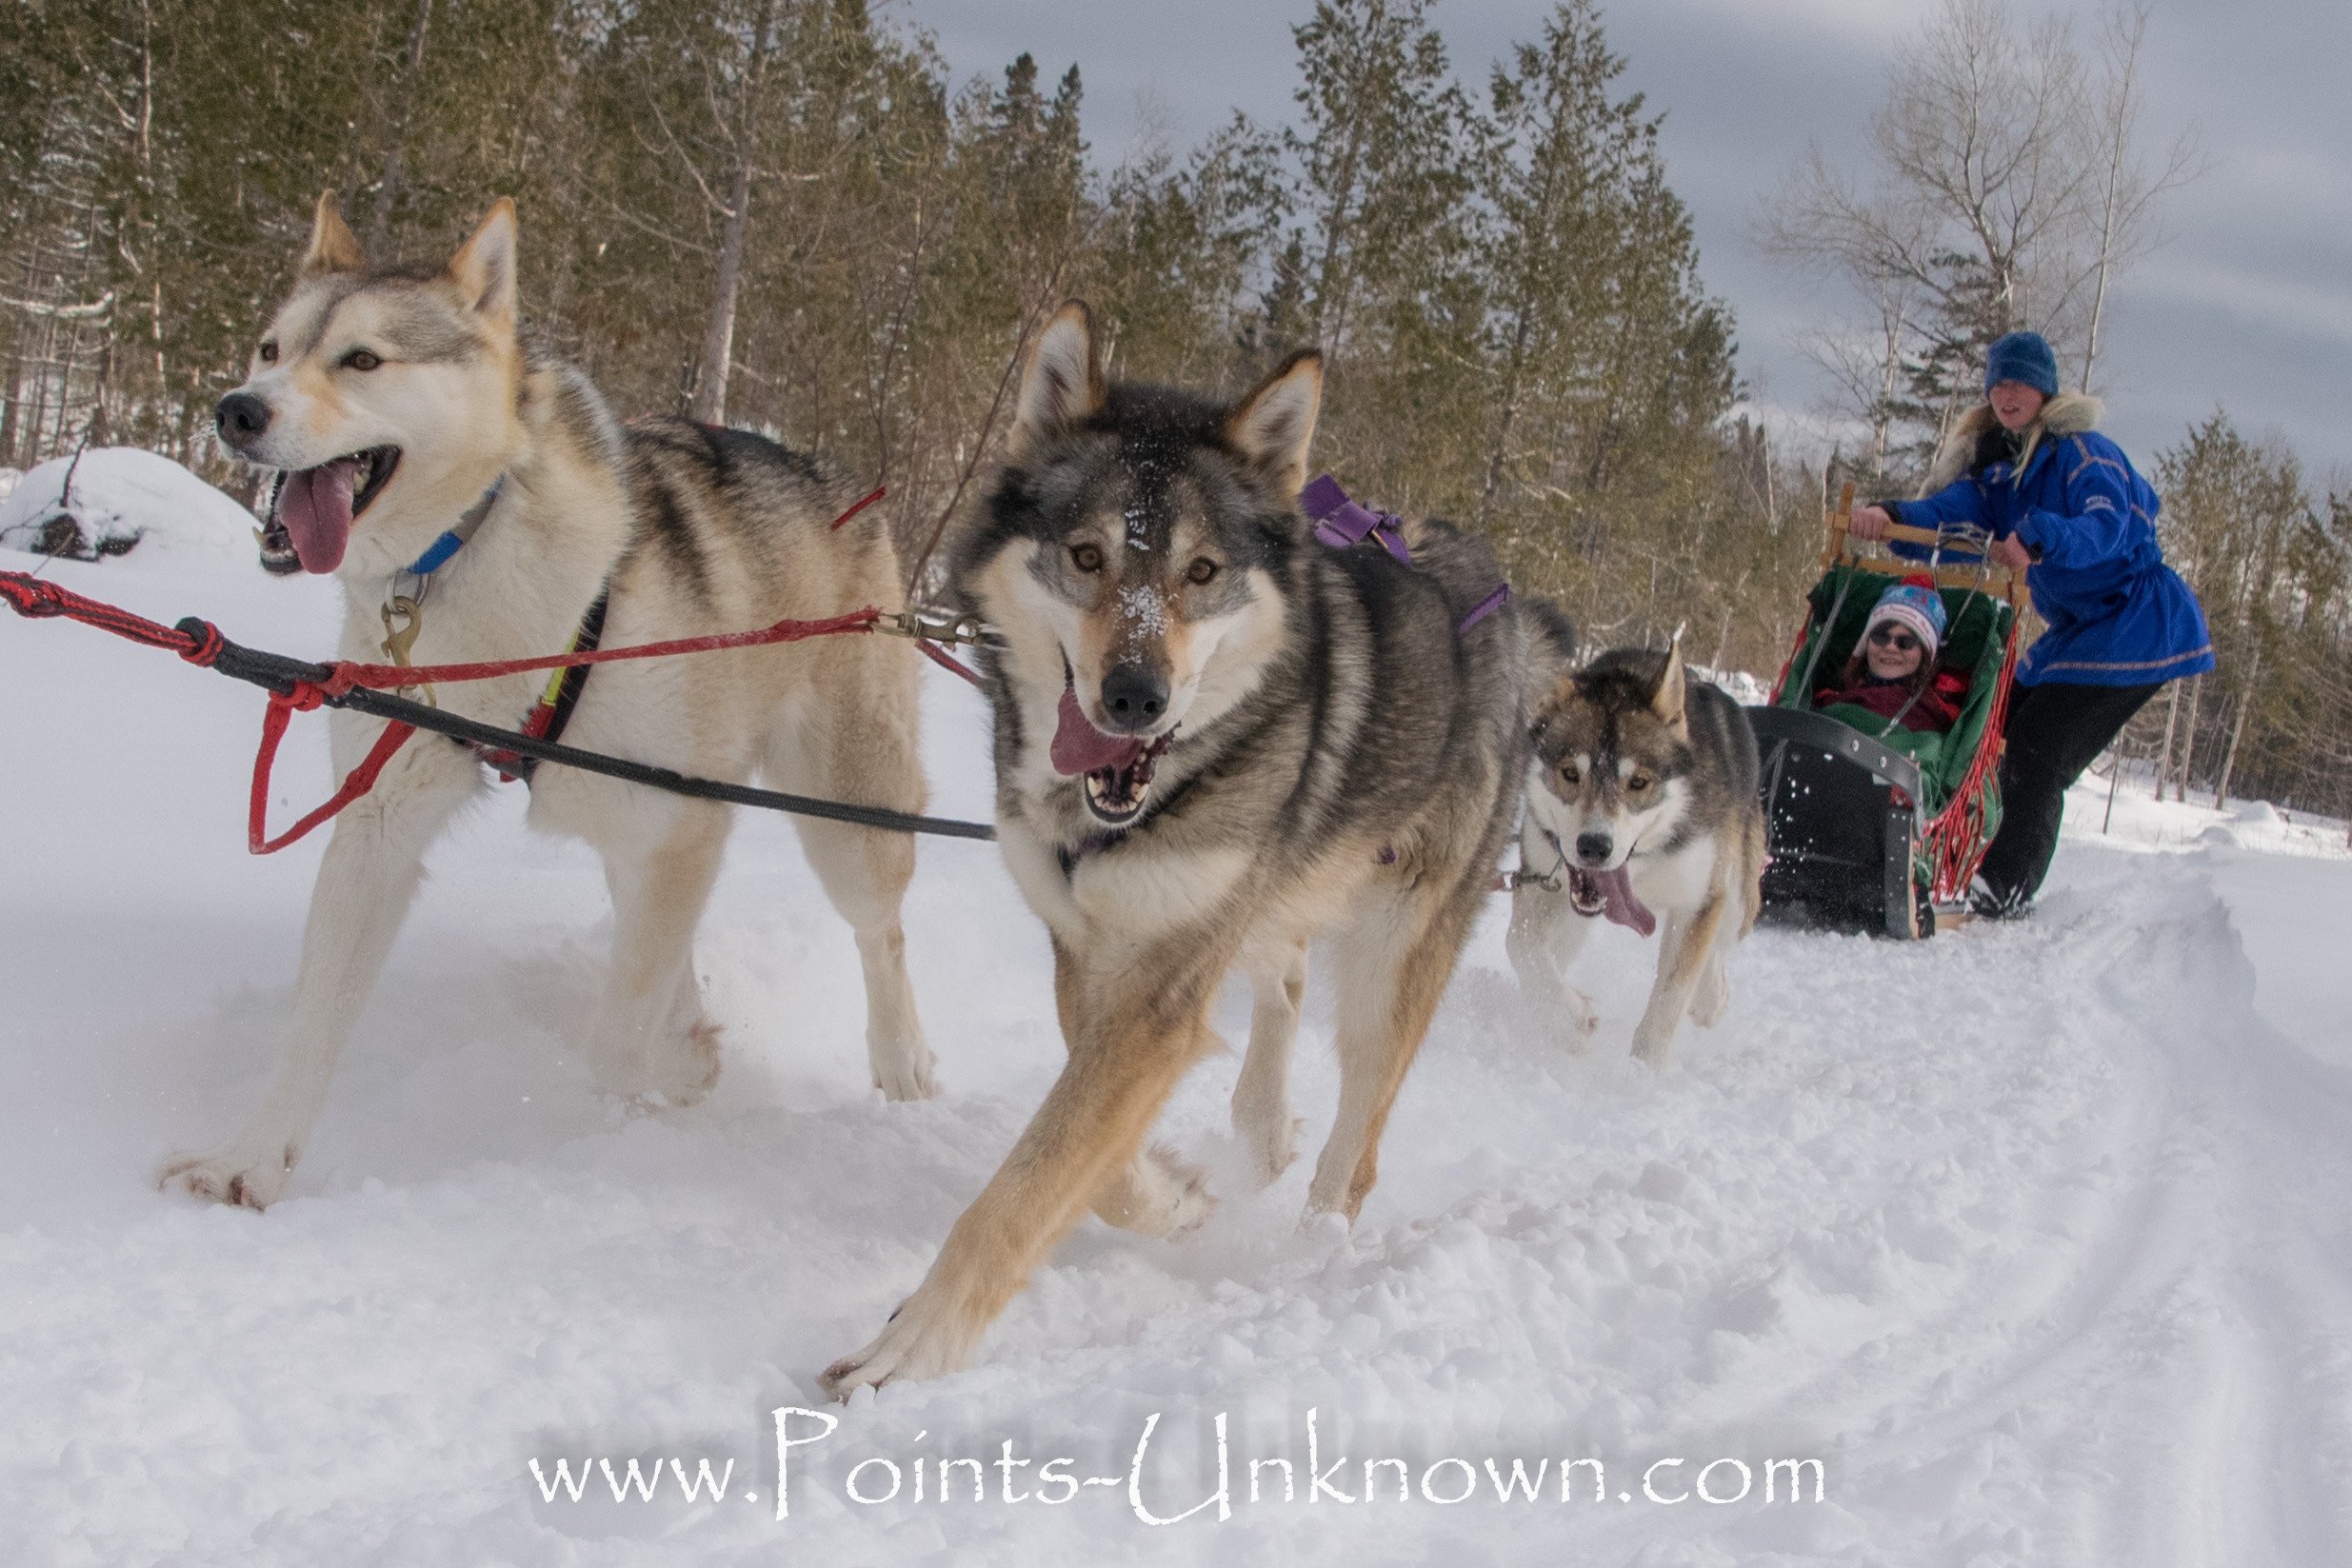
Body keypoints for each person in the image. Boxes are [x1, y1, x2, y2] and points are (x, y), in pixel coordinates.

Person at [1848, 329, 2213, 917]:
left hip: (2136, 624)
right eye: (1997, 382)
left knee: (2040, 749)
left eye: (2019, 382)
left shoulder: (2084, 454)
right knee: (1992, 725)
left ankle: (2005, 886)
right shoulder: (2000, 472)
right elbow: (1948, 517)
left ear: (2045, 391)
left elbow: (2109, 525)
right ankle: (1958, 857)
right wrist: (1886, 516)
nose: (2006, 393)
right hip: (2079, 633)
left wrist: (2041, 537)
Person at [1813, 574, 1963, 734]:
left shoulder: (1929, 715)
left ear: (1924, 656)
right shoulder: (1831, 698)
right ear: (1866, 644)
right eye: (1880, 637)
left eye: (1905, 642)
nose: (1891, 647)